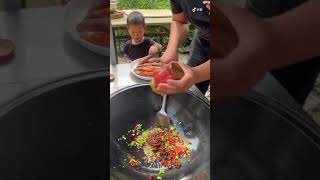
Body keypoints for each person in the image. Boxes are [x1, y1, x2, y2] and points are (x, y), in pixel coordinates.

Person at [157, 0, 212, 95]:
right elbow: (179, 21)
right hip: (203, 38)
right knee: (192, 90)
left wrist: (196, 74)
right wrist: (171, 50)